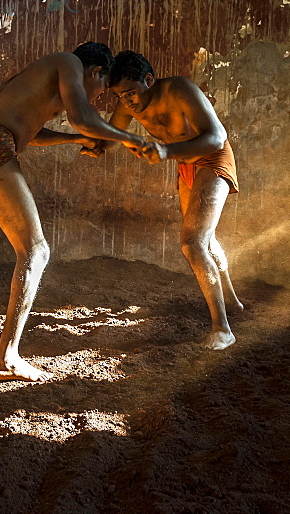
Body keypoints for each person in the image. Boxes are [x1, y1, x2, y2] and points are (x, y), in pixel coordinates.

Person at [0, 42, 150, 381]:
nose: (100, 96)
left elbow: (32, 134)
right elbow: (83, 118)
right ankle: (6, 358)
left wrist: (72, 141)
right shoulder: (69, 63)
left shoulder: (43, 78)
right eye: (103, 88)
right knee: (35, 251)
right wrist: (133, 140)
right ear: (96, 72)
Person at [87, 50, 243, 350]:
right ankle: (233, 303)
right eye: (120, 96)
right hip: (187, 165)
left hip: (213, 159)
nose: (127, 101)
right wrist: (93, 144)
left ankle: (222, 329)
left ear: (149, 79)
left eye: (131, 93)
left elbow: (216, 136)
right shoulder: (129, 104)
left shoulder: (178, 89)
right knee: (204, 240)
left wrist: (167, 152)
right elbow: (110, 135)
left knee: (192, 242)